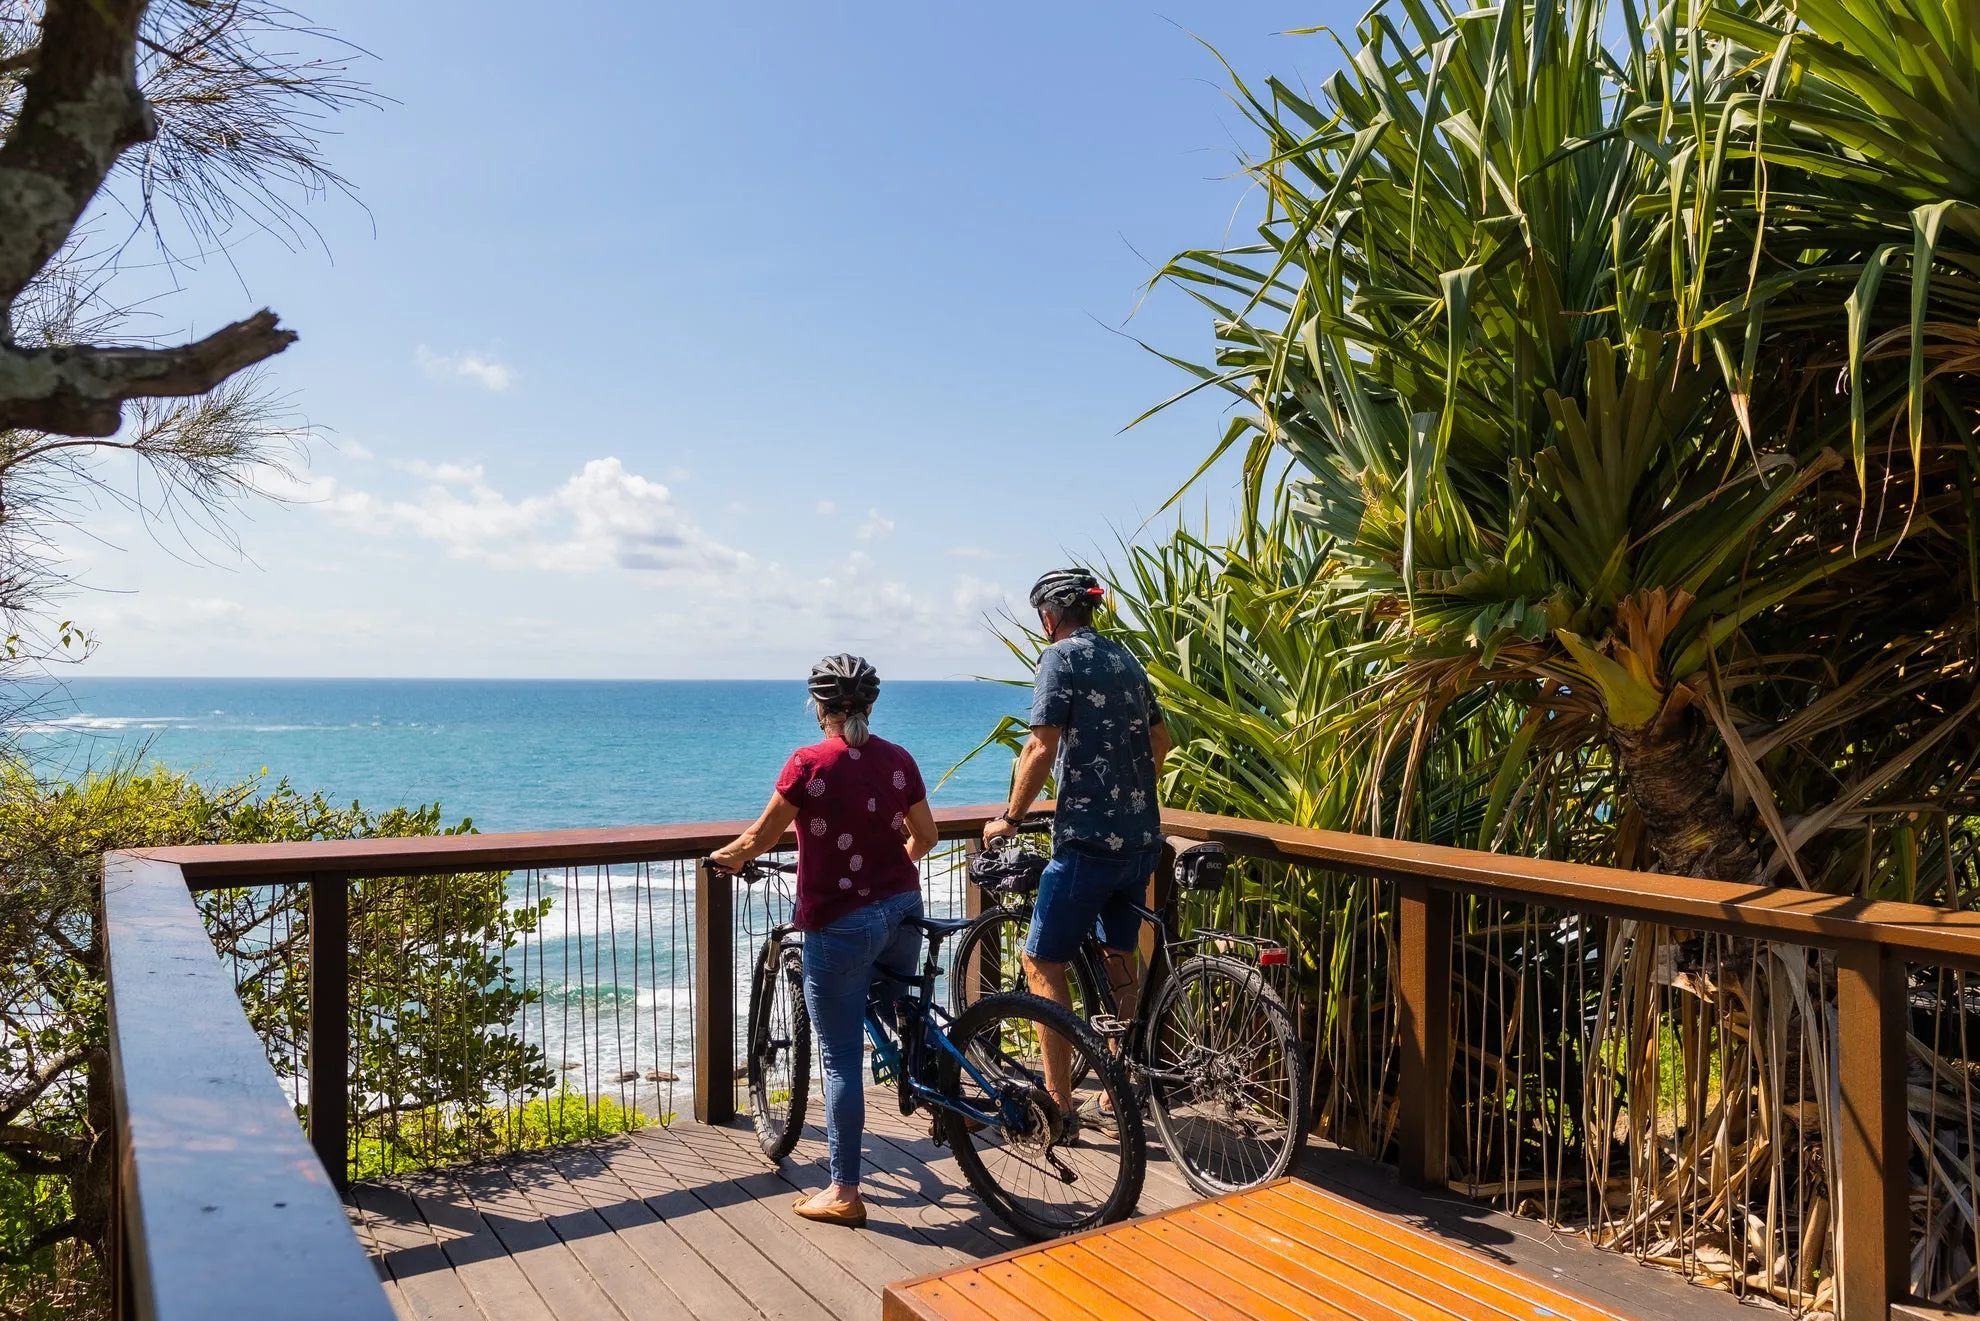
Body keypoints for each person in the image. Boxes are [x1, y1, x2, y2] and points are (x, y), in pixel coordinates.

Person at [710, 653, 938, 1228]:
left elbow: (759, 837)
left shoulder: (809, 763)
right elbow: (928, 837)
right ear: (870, 705)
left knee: (839, 1059)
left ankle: (843, 1189)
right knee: (898, 1007)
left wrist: (728, 858)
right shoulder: (898, 759)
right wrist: (885, 874)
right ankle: (940, 1096)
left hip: (839, 922)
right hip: (902, 907)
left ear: (820, 707)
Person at [983, 568, 1170, 1132]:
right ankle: (1118, 1085)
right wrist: (1130, 794)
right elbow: (1161, 740)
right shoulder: (1125, 658)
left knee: (1041, 962)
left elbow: (1041, 745)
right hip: (1140, 839)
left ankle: (1059, 1105)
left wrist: (1010, 818)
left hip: (1087, 843)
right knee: (1119, 956)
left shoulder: (1058, 660)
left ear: (1050, 616)